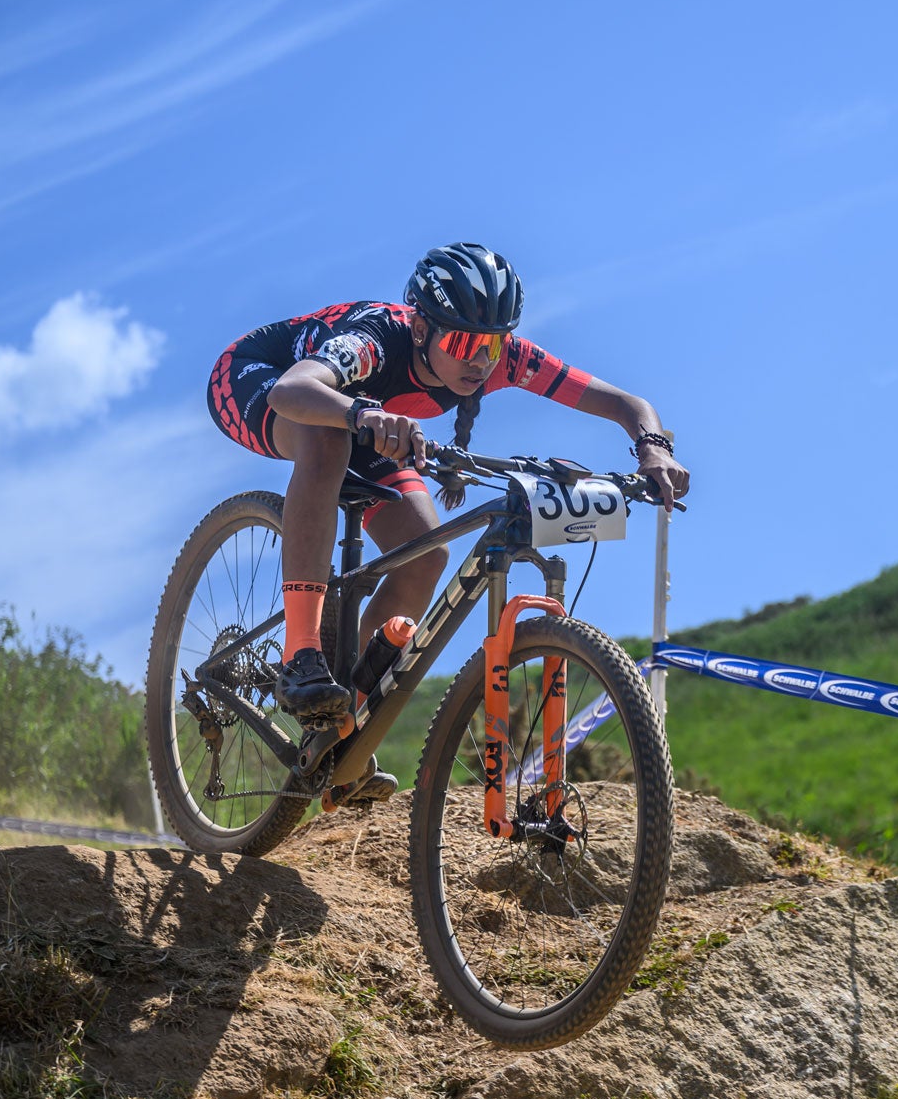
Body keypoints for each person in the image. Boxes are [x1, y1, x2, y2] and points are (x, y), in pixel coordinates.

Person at [206, 243, 691, 804]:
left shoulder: (504, 360)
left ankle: (342, 724)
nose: (481, 360)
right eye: (463, 343)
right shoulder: (375, 339)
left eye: (493, 344)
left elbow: (627, 404)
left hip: (365, 420)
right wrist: (363, 412)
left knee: (426, 553)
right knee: (325, 439)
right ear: (421, 329)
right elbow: (291, 391)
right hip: (262, 379)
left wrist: (652, 448)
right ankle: (301, 652)